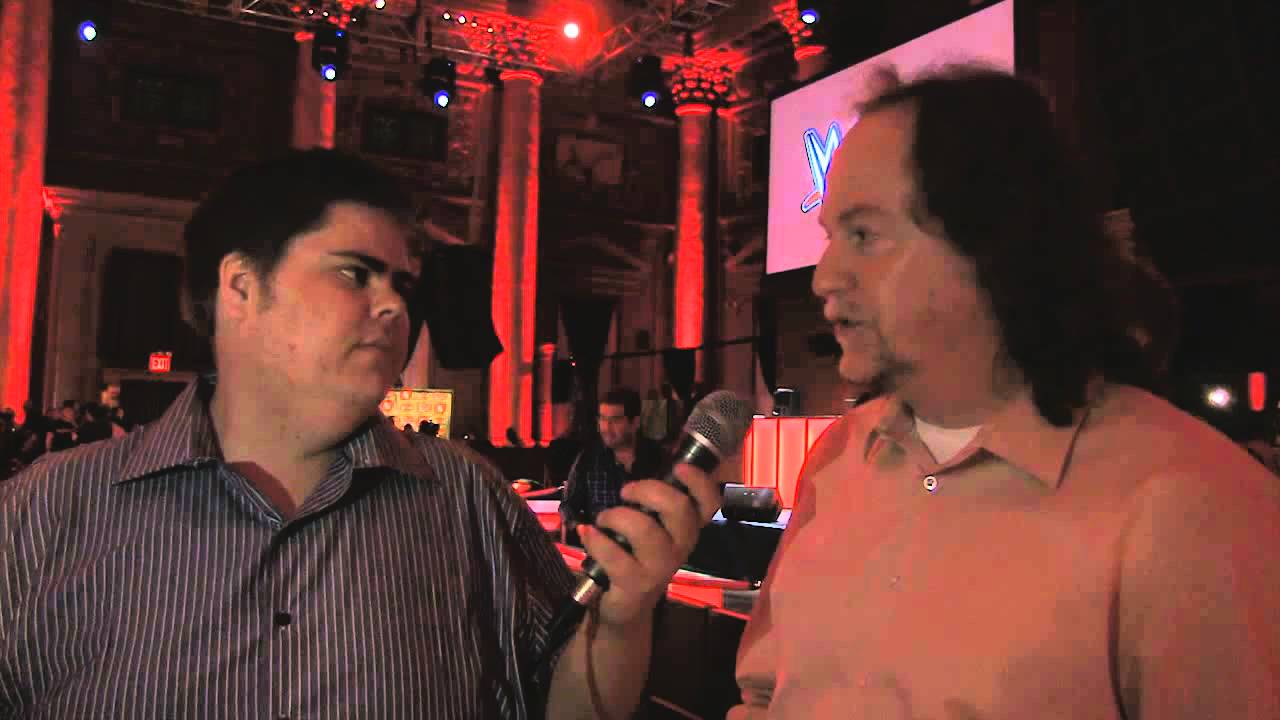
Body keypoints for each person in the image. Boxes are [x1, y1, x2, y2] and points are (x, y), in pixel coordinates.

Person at [0, 149, 720, 719]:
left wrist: (621, 623)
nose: (394, 307)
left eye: (402, 285)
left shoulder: (466, 496)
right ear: (241, 288)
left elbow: (563, 702)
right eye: (355, 274)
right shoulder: (45, 512)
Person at [730, 67, 1279, 718]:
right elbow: (763, 697)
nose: (824, 277)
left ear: (991, 245)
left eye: (864, 236)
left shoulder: (1193, 505)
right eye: (830, 237)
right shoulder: (837, 457)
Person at [560, 387, 666, 545]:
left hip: (648, 551)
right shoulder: (588, 458)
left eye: (615, 420)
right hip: (602, 550)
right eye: (602, 419)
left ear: (635, 423)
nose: (606, 428)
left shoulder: (659, 459)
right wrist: (580, 528)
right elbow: (568, 506)